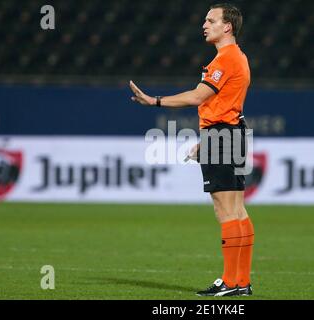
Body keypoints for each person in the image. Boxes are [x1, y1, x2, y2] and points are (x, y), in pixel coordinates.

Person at [129, 3, 254, 297]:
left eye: (211, 20)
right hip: (231, 130)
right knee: (237, 210)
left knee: (225, 210)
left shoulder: (224, 59)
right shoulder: (239, 57)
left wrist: (154, 101)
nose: (204, 25)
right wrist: (208, 137)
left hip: (223, 134)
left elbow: (199, 96)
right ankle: (241, 282)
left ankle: (231, 282)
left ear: (228, 27)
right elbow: (222, 105)